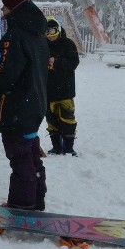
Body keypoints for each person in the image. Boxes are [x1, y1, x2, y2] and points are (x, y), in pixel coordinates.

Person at [0, 0, 50, 210]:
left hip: (17, 107)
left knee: (20, 157)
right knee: (31, 155)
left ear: (13, 8)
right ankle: (36, 198)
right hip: (34, 104)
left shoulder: (15, 35)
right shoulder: (38, 34)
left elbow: (8, 76)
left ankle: (22, 203)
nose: (3, 12)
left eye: (4, 7)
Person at [44, 16, 80, 156]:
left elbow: (74, 63)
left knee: (68, 119)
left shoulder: (68, 44)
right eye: (46, 32)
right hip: (48, 90)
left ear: (57, 30)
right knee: (51, 120)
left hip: (65, 89)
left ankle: (69, 147)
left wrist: (57, 62)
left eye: (51, 31)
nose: (49, 35)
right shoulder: (42, 44)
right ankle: (56, 146)